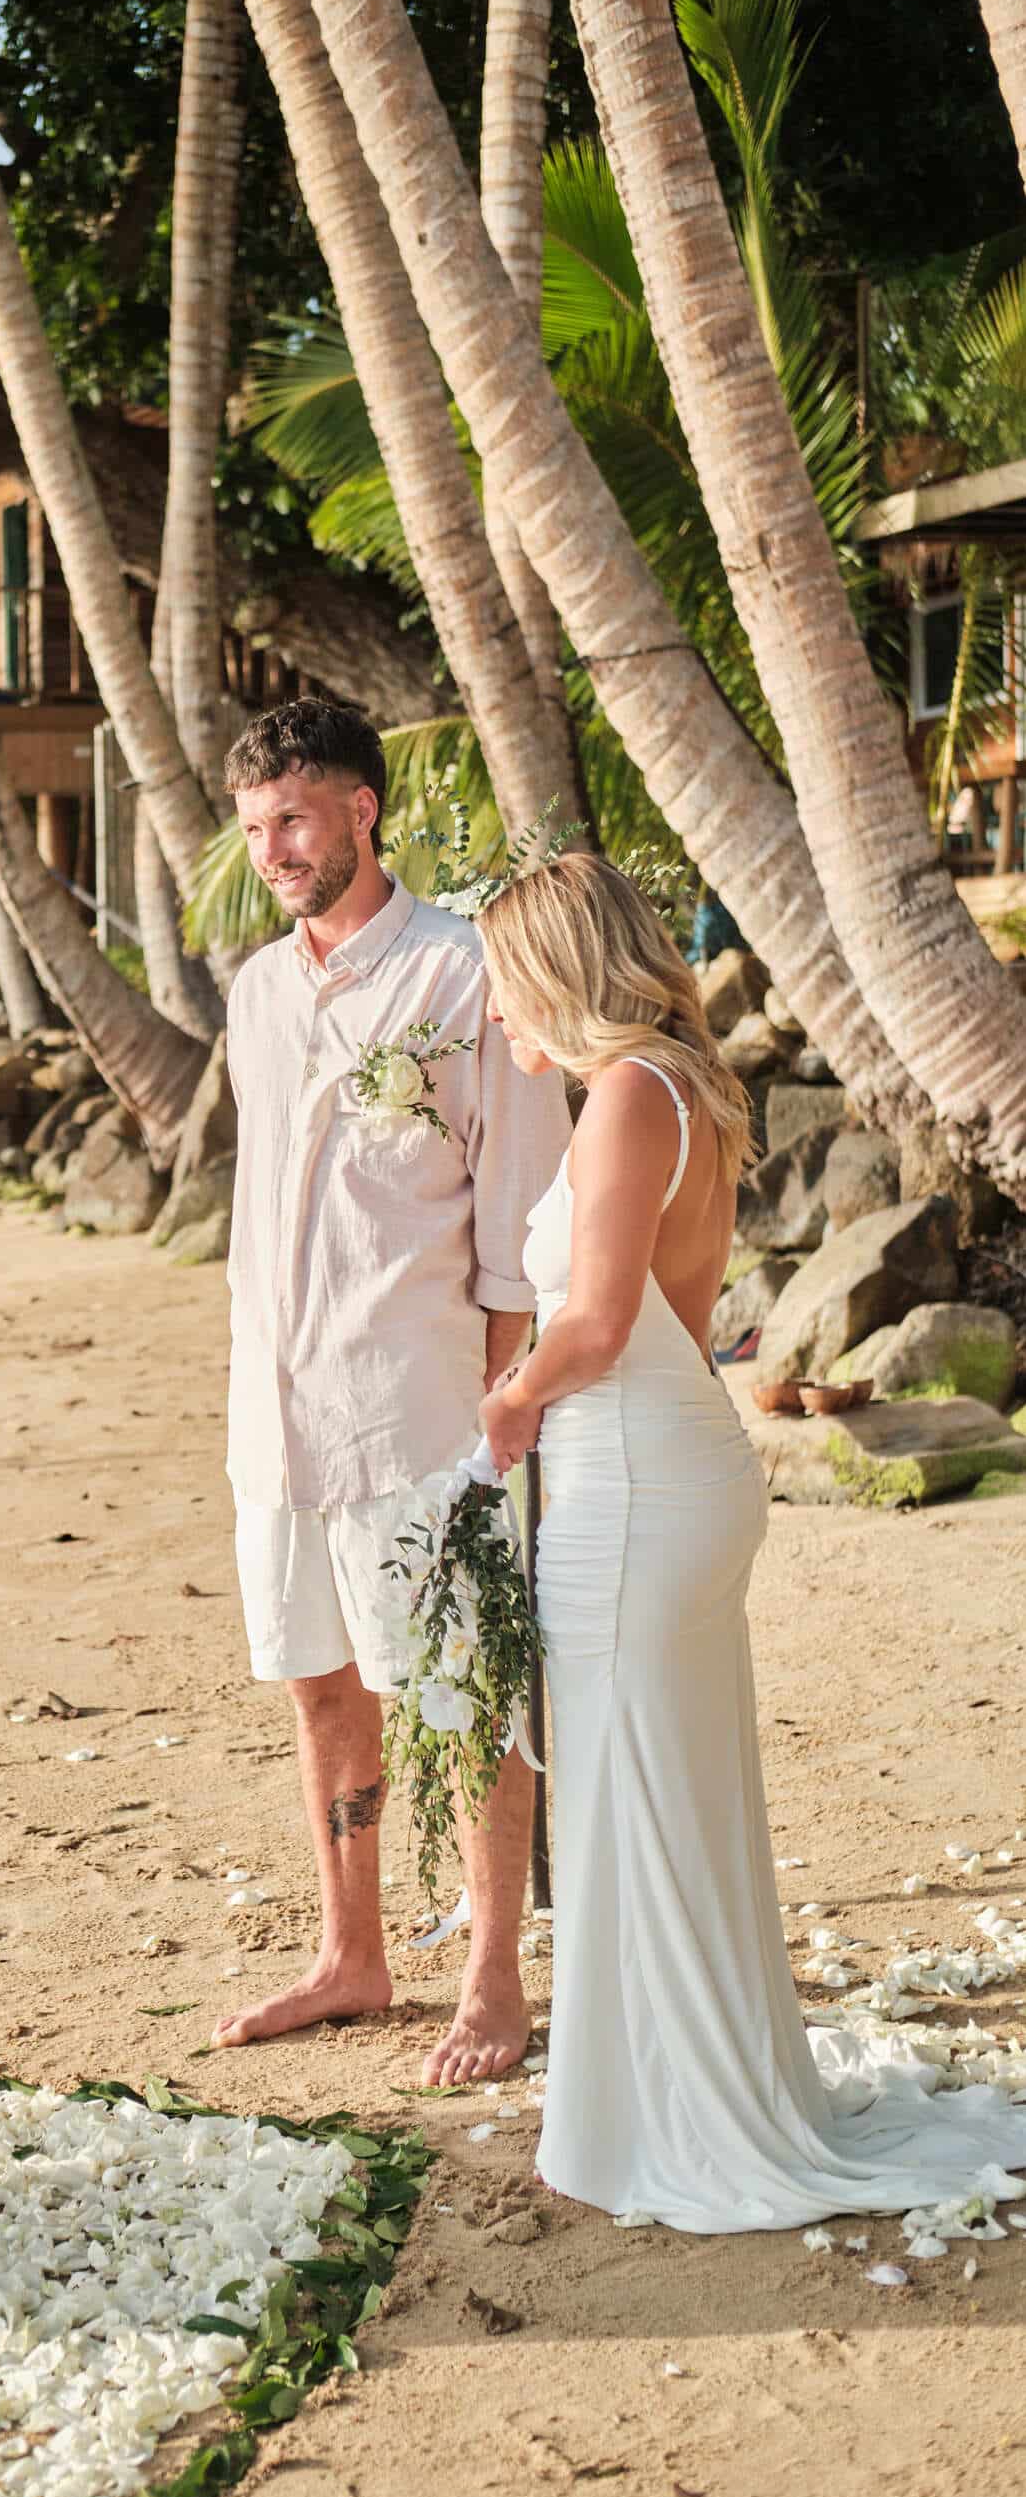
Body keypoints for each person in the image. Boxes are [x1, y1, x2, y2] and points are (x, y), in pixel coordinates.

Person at [476, 853, 1026, 2227]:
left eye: (499, 983)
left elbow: (596, 1324)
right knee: (666, 1785)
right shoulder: (680, 1088)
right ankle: (680, 2071)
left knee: (633, 1794)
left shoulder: (623, 1104)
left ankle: (674, 2106)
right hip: (672, 1470)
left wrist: (504, 1402)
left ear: (555, 972)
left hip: (636, 1489)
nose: (492, 1015)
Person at [215, 701, 570, 2080]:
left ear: (363, 809)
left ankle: (493, 1975)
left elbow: (519, 1212)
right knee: (319, 1684)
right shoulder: (254, 992)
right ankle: (351, 1955)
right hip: (276, 1407)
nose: (276, 851)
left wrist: (499, 1408)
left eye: (295, 819)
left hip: (418, 1400)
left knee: (461, 1692)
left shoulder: (462, 973)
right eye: (255, 830)